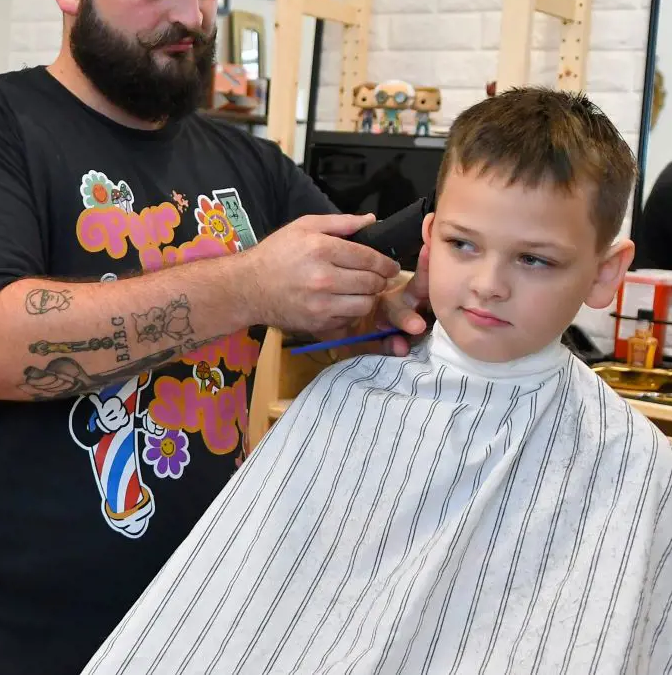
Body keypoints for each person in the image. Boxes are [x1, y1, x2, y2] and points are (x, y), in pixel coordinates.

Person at [0, 0, 429, 675]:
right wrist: (249, 284)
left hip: (192, 630)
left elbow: (349, 282)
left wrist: (426, 262)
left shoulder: (249, 165)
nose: (193, 15)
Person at [80, 87, 672, 675]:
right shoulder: (346, 401)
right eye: (463, 245)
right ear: (430, 238)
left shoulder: (635, 462)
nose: (489, 283)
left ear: (605, 273)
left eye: (534, 259)